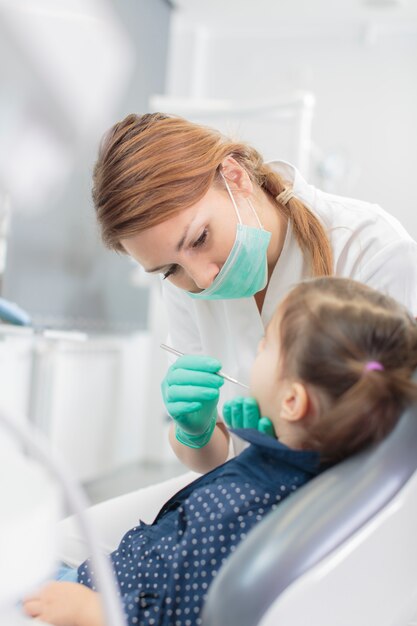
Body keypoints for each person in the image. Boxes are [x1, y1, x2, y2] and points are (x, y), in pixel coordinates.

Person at [56, 110, 417, 568]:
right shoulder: (184, 282)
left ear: (235, 176)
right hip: (244, 482)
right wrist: (195, 428)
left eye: (200, 238)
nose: (201, 278)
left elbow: (390, 456)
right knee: (56, 547)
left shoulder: (371, 249)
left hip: (339, 501)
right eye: (168, 269)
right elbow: (212, 457)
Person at [23, 277, 417, 626]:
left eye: (266, 346)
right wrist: (262, 448)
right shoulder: (303, 473)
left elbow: (180, 615)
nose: (255, 354)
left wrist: (93, 613)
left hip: (96, 600)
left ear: (293, 402)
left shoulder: (232, 509)